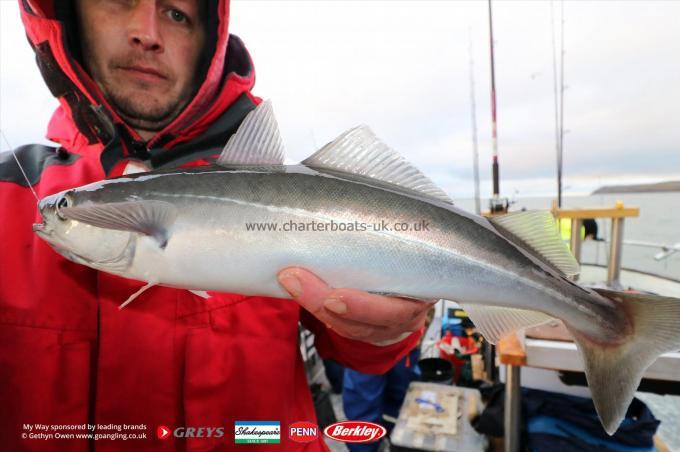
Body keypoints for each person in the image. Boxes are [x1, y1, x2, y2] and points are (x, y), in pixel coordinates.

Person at [0, 1, 430, 450]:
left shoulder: (294, 192)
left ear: (211, 37)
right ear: (70, 16)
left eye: (177, 13)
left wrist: (392, 325)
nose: (147, 32)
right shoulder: (8, 191)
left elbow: (360, 351)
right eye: (119, 0)